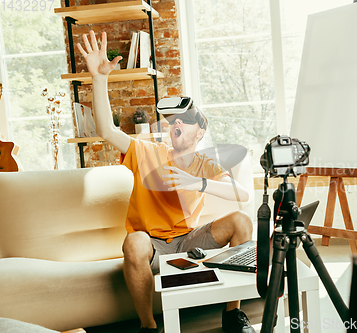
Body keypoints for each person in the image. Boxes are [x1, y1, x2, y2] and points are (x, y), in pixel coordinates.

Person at [77, 30, 256, 333]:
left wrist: (196, 182)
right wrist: (99, 78)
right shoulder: (147, 151)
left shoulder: (205, 164)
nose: (178, 124)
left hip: (188, 240)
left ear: (200, 133)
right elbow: (107, 131)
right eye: (175, 120)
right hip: (152, 245)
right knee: (133, 240)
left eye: (187, 121)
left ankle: (232, 315)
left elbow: (242, 195)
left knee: (241, 221)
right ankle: (148, 327)